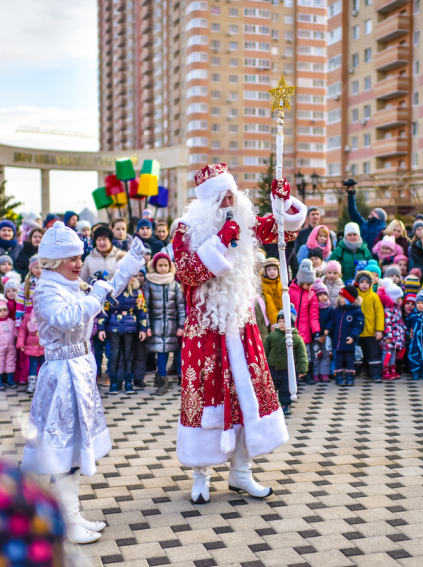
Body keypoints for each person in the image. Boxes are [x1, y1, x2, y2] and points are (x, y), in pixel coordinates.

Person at [171, 164, 306, 504]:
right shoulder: (185, 229)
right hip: (203, 331)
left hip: (241, 326)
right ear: (207, 201)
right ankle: (200, 475)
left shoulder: (245, 223)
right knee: (205, 400)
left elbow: (282, 233)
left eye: (232, 194)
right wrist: (220, 240)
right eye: (221, 196)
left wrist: (283, 202)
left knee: (249, 396)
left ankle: (241, 472)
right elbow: (186, 272)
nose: (229, 201)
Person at [21, 221, 144, 544]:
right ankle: (62, 520)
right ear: (52, 262)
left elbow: (102, 294)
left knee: (74, 451)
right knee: (63, 452)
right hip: (61, 375)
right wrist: (99, 293)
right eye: (72, 258)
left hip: (80, 370)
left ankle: (70, 514)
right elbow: (66, 318)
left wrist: (129, 264)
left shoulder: (69, 284)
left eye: (80, 257)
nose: (79, 264)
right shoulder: (47, 289)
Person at [142, 252, 186, 395]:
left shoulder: (175, 284)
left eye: (166, 265)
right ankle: (163, 381)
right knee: (161, 353)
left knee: (170, 352)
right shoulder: (148, 284)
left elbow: (180, 307)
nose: (163, 268)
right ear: (155, 266)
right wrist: (147, 326)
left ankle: (166, 376)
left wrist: (181, 326)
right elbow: (145, 307)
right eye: (160, 265)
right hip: (156, 326)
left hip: (172, 326)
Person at [101, 262, 148, 394]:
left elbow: (142, 311)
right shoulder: (111, 291)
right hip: (114, 326)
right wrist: (101, 328)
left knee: (128, 355)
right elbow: (104, 311)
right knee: (114, 355)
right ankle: (114, 383)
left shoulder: (137, 292)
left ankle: (129, 383)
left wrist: (143, 329)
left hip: (130, 327)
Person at [264, 309, 307, 416]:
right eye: (280, 322)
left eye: (285, 322)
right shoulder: (272, 336)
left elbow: (301, 355)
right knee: (271, 387)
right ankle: (270, 405)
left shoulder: (296, 338)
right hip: (273, 367)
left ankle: (286, 405)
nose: (282, 324)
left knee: (286, 388)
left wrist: (302, 369)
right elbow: (265, 350)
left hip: (288, 369)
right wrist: (262, 364)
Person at [289, 259, 321, 386]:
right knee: (292, 355)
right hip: (292, 330)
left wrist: (316, 330)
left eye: (311, 284)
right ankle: (294, 377)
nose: (309, 286)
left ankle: (307, 374)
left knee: (306, 354)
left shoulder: (311, 294)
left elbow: (313, 314)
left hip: (305, 330)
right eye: (307, 284)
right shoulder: (290, 291)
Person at [326, 285, 364, 387]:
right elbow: (332, 321)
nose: (340, 299)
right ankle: (338, 377)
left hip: (349, 342)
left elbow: (358, 326)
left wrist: (353, 336)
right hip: (338, 342)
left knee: (349, 360)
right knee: (338, 359)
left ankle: (350, 377)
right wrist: (327, 329)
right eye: (340, 297)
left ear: (350, 299)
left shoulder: (356, 312)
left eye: (343, 297)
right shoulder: (337, 310)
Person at [354, 270, 384, 382]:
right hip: (357, 332)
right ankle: (355, 371)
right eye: (362, 282)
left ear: (371, 284)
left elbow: (379, 314)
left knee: (373, 353)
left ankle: (375, 373)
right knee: (357, 354)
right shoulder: (355, 296)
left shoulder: (374, 297)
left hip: (371, 332)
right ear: (358, 283)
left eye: (367, 282)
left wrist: (379, 329)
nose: (365, 284)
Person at [17, 306, 44, 395]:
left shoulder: (47, 315)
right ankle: (32, 383)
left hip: (44, 346)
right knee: (33, 366)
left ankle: (44, 384)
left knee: (45, 366)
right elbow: (22, 331)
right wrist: (21, 343)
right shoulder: (28, 316)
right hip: (32, 346)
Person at [311, 279, 333, 382]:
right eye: (320, 294)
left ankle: (324, 373)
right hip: (315, 336)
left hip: (326, 336)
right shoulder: (313, 308)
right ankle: (315, 374)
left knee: (326, 355)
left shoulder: (330, 308)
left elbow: (331, 320)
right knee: (315, 355)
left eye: (325, 294)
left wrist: (327, 330)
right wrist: (317, 334)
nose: (323, 296)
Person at [260, 257, 282, 329]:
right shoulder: (264, 286)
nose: (272, 271)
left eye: (275, 269)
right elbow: (270, 305)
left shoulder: (282, 283)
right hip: (272, 320)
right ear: (265, 272)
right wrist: (274, 322)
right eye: (269, 270)